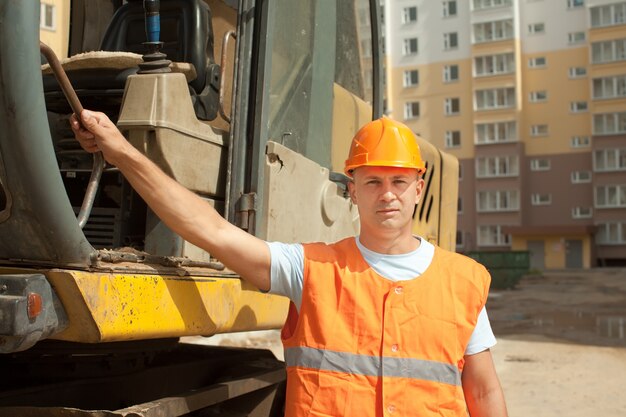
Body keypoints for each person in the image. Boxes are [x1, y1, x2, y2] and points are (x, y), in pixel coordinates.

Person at [71, 111, 508, 417]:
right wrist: (123, 152)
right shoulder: (311, 269)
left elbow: (484, 390)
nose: (387, 194)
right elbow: (213, 231)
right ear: (352, 190)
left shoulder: (462, 281)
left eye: (398, 181)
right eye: (372, 182)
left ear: (419, 187)